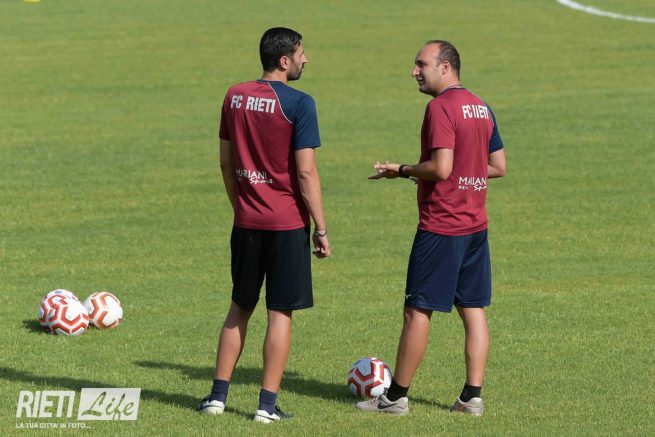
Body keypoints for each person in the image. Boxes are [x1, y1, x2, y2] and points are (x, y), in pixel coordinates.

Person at [357, 40, 506, 416]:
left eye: (421, 64)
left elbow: (441, 168)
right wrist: (460, 172)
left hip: (442, 226)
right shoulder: (481, 105)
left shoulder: (440, 107)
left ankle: (395, 398)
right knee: (473, 309)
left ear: (445, 67)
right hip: (475, 226)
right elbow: (497, 165)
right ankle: (472, 397)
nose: (414, 72)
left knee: (417, 311)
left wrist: (402, 169)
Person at [198, 27, 330, 424]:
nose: (306, 60)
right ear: (284, 60)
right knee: (279, 313)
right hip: (286, 224)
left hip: (246, 222)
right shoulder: (300, 103)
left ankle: (217, 398)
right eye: (301, 54)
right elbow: (305, 173)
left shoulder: (234, 95)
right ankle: (266, 406)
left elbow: (225, 162)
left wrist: (241, 205)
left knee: (239, 308)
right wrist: (321, 228)